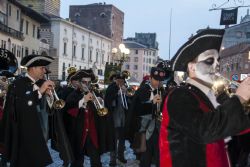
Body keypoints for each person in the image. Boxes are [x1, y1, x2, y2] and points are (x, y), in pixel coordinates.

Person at [159, 28, 250, 167]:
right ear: (192, 67)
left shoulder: (214, 95)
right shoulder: (179, 95)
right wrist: (239, 98)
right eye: (209, 61)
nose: (217, 65)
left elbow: (235, 126)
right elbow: (204, 131)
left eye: (217, 60)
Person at [2, 54, 56, 166]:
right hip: (23, 136)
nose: (44, 71)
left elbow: (50, 110)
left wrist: (50, 97)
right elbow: (19, 107)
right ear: (32, 68)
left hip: (40, 133)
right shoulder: (17, 84)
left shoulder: (42, 83)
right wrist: (40, 91)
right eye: (42, 68)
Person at [127, 67, 165, 167]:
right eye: (156, 80)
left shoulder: (161, 90)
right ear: (150, 78)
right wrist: (151, 102)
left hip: (157, 128)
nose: (158, 82)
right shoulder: (143, 90)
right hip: (144, 128)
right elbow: (137, 110)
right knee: (145, 156)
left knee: (158, 155)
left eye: (160, 80)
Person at [65, 69, 102, 167]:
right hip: (78, 133)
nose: (87, 85)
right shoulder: (72, 95)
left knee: (96, 159)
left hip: (92, 132)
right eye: (84, 82)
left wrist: (100, 101)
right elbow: (68, 111)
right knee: (77, 160)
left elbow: (101, 113)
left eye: (89, 82)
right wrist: (83, 100)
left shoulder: (95, 93)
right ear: (78, 82)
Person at [104, 72, 129, 166]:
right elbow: (107, 101)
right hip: (114, 117)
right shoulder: (111, 88)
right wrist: (117, 94)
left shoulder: (125, 87)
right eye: (119, 80)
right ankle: (112, 159)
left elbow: (128, 103)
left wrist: (126, 94)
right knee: (113, 139)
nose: (121, 82)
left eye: (123, 81)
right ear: (116, 80)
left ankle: (121, 156)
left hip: (123, 117)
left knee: (122, 139)